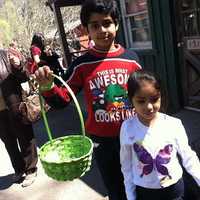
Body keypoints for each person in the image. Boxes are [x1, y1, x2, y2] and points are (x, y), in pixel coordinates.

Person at [34, 0, 141, 199]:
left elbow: (143, 95)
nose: (102, 30)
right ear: (87, 29)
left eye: (107, 23)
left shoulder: (132, 59)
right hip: (103, 142)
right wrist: (47, 86)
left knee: (141, 183)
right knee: (115, 187)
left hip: (135, 137)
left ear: (117, 24)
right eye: (95, 25)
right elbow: (63, 99)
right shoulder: (81, 64)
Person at [120, 70, 200, 200]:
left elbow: (188, 157)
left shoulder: (173, 124)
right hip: (145, 192)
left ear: (161, 96)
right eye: (141, 101)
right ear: (131, 100)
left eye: (154, 99)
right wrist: (130, 195)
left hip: (174, 190)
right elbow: (126, 165)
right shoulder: (128, 128)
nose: (149, 106)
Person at [0, 48, 38, 187]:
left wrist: (18, 66)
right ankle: (19, 169)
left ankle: (31, 169)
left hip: (15, 105)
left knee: (25, 137)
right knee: (9, 142)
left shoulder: (6, 55)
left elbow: (24, 76)